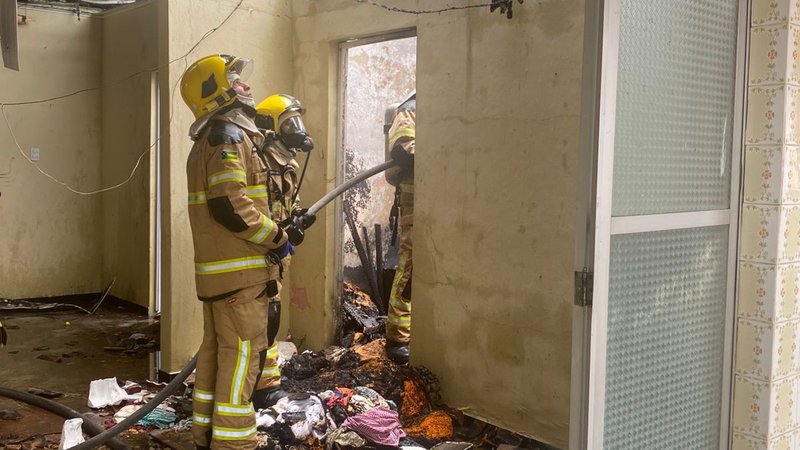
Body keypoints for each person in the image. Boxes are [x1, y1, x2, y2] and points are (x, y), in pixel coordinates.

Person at [180, 54, 305, 450]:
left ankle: (205, 434)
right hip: (242, 276)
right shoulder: (227, 137)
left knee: (218, 354)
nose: (246, 86)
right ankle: (234, 443)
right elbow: (230, 205)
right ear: (215, 92)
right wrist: (277, 239)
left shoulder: (219, 137)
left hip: (225, 277)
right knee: (243, 361)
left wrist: (284, 226)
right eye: (235, 79)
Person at [250, 94, 316, 409]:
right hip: (261, 252)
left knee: (271, 318)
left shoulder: (286, 162)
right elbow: (255, 212)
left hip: (277, 252)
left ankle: (267, 381)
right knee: (266, 319)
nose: (298, 130)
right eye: (289, 123)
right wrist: (281, 233)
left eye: (297, 122)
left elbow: (287, 203)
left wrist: (299, 220)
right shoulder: (259, 162)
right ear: (270, 127)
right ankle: (261, 388)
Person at [384, 92, 416, 365]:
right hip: (415, 203)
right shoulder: (410, 109)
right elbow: (402, 149)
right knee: (411, 268)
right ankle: (398, 337)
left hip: (443, 205)